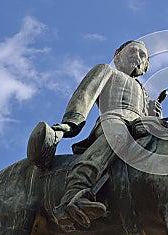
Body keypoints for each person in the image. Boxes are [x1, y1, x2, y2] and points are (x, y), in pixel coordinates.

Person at [52, 40, 162, 230]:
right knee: (117, 136)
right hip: (115, 120)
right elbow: (84, 95)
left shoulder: (145, 93)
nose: (138, 57)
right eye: (133, 51)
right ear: (117, 55)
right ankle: (74, 193)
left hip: (142, 126)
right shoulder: (107, 71)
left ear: (145, 68)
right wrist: (71, 124)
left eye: (143, 56)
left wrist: (154, 115)